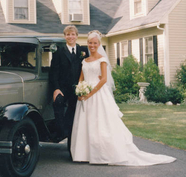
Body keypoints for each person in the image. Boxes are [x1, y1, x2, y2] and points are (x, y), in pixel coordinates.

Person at [70, 30, 176, 165]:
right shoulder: (84, 61)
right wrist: (80, 92)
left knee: (100, 123)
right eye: (90, 43)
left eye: (95, 43)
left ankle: (101, 155)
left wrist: (90, 93)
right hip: (84, 96)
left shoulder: (102, 60)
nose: (92, 45)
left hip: (97, 95)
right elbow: (81, 78)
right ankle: (85, 154)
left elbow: (103, 80)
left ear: (99, 44)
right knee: (86, 123)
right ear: (87, 43)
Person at [49, 25, 89, 145]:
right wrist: (56, 89)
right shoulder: (59, 52)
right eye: (68, 34)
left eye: (73, 34)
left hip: (78, 88)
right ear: (65, 36)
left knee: (74, 111)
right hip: (62, 88)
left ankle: (71, 138)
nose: (70, 37)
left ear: (77, 36)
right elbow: (53, 72)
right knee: (58, 103)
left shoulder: (83, 51)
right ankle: (61, 131)